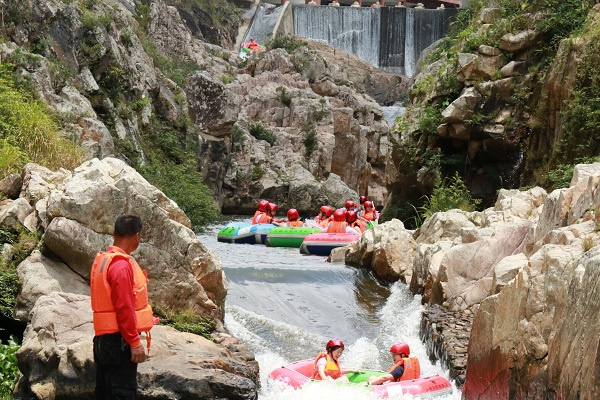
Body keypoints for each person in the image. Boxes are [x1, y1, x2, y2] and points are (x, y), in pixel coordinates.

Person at [91, 215, 157, 400]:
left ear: (114, 233)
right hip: (118, 344)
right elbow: (124, 308)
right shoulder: (121, 266)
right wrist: (134, 342)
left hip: (104, 342)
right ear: (137, 236)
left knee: (105, 392)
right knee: (121, 393)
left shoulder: (106, 261)